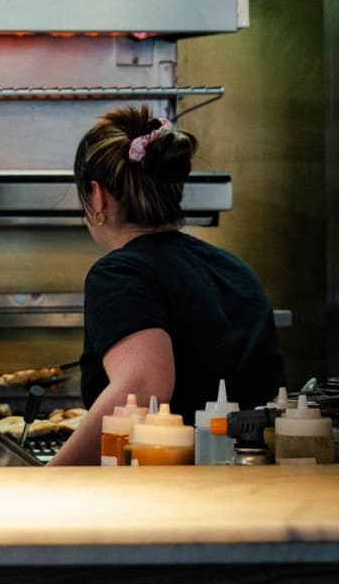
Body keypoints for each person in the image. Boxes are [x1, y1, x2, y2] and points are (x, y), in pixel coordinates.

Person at [49, 107, 285, 466]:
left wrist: (50, 479)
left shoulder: (119, 274)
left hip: (171, 502)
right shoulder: (235, 270)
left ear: (97, 197)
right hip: (256, 493)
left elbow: (142, 391)